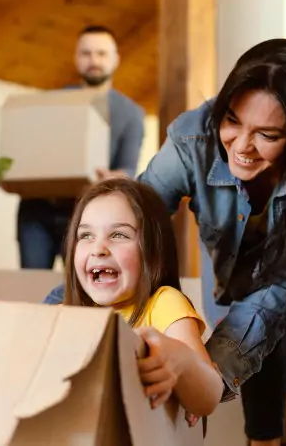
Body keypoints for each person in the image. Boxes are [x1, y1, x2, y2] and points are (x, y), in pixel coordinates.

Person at [43, 38, 286, 446]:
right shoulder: (192, 139)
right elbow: (130, 222)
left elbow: (267, 309)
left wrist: (201, 375)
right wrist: (58, 316)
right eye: (232, 121)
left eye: (267, 134)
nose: (242, 147)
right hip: (235, 251)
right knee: (241, 335)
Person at [62, 177, 223, 417]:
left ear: (152, 249)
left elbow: (209, 395)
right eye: (85, 236)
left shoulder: (163, 303)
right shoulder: (70, 315)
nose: (98, 248)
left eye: (118, 235)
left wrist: (182, 364)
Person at [17, 25, 145, 269]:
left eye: (101, 53)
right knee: (33, 293)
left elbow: (127, 168)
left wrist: (111, 179)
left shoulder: (131, 113)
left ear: (115, 60)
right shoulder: (50, 103)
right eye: (86, 54)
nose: (93, 60)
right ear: (76, 58)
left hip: (86, 215)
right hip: (37, 211)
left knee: (82, 294)